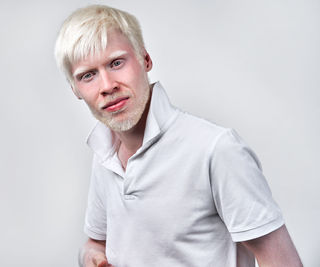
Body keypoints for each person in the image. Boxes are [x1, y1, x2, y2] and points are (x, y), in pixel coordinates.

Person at [55, 5, 303, 267]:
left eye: (116, 63)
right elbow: (96, 243)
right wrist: (92, 259)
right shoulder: (105, 154)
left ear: (145, 60)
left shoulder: (216, 149)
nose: (107, 86)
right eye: (88, 76)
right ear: (75, 90)